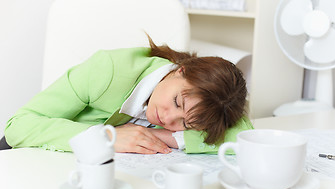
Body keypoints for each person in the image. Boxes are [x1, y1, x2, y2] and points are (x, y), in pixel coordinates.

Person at [3, 36, 253, 154]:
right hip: (22, 157)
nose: (168, 119)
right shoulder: (107, 70)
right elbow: (18, 126)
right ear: (180, 70)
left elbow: (246, 136)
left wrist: (164, 137)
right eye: (177, 102)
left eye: (185, 123)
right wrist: (106, 138)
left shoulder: (209, 105)